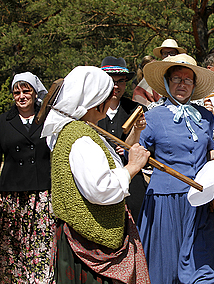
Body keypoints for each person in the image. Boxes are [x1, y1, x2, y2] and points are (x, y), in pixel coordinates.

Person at [42, 66, 150, 283]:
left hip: (79, 236)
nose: (110, 98)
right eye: (105, 94)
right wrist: (133, 167)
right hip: (87, 242)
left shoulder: (73, 129)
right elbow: (101, 189)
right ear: (93, 98)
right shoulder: (81, 138)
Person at [136, 54, 214, 283]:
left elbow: (210, 152)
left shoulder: (205, 117)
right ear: (166, 82)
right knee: (167, 261)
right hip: (166, 200)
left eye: (188, 80)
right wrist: (136, 133)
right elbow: (134, 152)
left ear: (194, 86)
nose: (182, 84)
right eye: (176, 78)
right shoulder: (152, 117)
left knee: (201, 260)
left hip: (200, 199)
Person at [0, 72, 55, 283]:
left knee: (41, 246)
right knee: (13, 248)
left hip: (41, 194)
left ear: (34, 92)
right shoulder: (3, 121)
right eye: (17, 92)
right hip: (12, 196)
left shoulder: (48, 119)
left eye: (26, 91)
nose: (21, 96)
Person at [99, 56, 147, 221]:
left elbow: (145, 147)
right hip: (101, 179)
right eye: (111, 81)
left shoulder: (136, 109)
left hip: (132, 181)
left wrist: (136, 134)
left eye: (121, 81)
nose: (116, 86)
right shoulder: (91, 111)